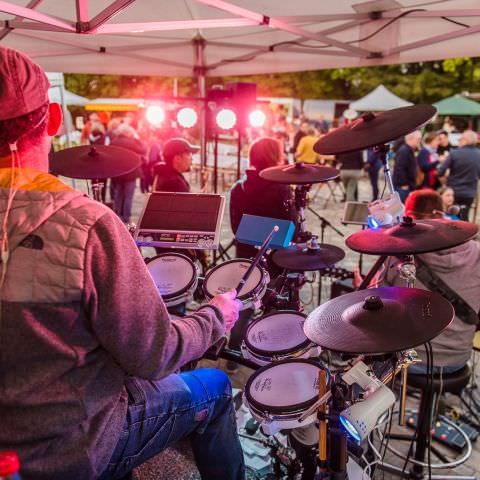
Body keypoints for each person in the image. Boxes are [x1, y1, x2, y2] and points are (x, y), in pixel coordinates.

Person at [0, 46, 244, 480]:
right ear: (53, 119)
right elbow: (156, 353)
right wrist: (214, 316)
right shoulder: (86, 225)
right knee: (216, 388)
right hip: (69, 449)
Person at [383, 189, 480, 373]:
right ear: (442, 214)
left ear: (408, 218)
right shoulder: (477, 251)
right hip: (458, 358)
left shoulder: (397, 255)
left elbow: (379, 309)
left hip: (408, 360)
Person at [437, 129, 480, 221]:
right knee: (464, 217)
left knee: (452, 218)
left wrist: (444, 181)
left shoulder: (454, 153)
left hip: (453, 192)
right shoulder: (478, 154)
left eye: (460, 140)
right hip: (469, 193)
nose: (459, 142)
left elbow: (440, 171)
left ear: (465, 140)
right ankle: (466, 234)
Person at [110, 123, 146, 223]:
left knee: (119, 195)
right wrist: (137, 138)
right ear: (127, 132)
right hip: (130, 172)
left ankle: (117, 215)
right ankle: (126, 217)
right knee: (128, 196)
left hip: (117, 172)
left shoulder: (113, 142)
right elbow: (143, 149)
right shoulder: (131, 142)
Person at [392, 130, 422, 202]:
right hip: (402, 187)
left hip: (406, 186)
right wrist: (403, 184)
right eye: (418, 139)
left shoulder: (408, 149)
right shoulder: (404, 150)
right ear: (411, 138)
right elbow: (400, 168)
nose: (419, 141)